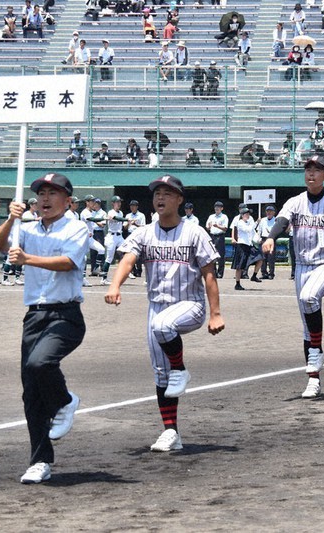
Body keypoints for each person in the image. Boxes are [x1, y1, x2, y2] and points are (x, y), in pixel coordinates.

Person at [105, 174, 224, 452]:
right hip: (156, 306)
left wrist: (215, 313)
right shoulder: (145, 232)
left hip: (190, 304)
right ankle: (171, 432)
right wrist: (114, 284)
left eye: (167, 193)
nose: (160, 197)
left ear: (180, 200)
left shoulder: (194, 232)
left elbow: (209, 274)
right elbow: (128, 258)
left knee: (163, 329)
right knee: (161, 375)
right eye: (157, 193)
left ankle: (181, 369)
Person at [0, 173, 88, 484]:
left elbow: (68, 262)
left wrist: (28, 258)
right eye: (41, 193)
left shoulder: (77, 227)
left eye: (53, 193)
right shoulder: (27, 229)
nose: (44, 199)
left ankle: (65, 400)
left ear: (68, 201)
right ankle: (40, 460)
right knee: (30, 391)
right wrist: (10, 219)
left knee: (40, 363)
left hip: (66, 314)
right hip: (34, 315)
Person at [262, 155, 324, 398]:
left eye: (317, 169)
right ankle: (313, 379)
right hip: (302, 266)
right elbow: (282, 221)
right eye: (308, 169)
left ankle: (317, 352)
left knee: (310, 297)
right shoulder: (295, 201)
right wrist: (270, 237)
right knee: (306, 329)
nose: (311, 173)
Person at [233, 207, 263, 289]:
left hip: (249, 246)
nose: (248, 215)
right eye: (246, 214)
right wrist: (256, 222)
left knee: (260, 258)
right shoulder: (240, 223)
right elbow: (248, 230)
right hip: (242, 246)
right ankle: (237, 283)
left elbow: (253, 233)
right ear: (242, 215)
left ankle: (254, 275)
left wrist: (258, 239)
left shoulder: (249, 223)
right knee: (239, 266)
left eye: (248, 214)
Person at [98, 195, 125, 285]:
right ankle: (104, 279)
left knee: (128, 251)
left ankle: (125, 273)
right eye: (117, 202)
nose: (119, 204)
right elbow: (116, 218)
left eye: (120, 202)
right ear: (113, 203)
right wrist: (126, 219)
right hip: (112, 237)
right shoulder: (110, 212)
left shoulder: (121, 212)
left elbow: (121, 221)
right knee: (109, 258)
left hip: (119, 236)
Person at [205, 201, 228, 278]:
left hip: (220, 236)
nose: (216, 208)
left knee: (220, 255)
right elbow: (207, 227)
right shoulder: (211, 216)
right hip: (212, 236)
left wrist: (217, 226)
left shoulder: (224, 217)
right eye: (215, 207)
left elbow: (225, 228)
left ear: (222, 208)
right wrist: (209, 226)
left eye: (218, 207)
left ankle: (220, 273)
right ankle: (214, 271)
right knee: (212, 254)